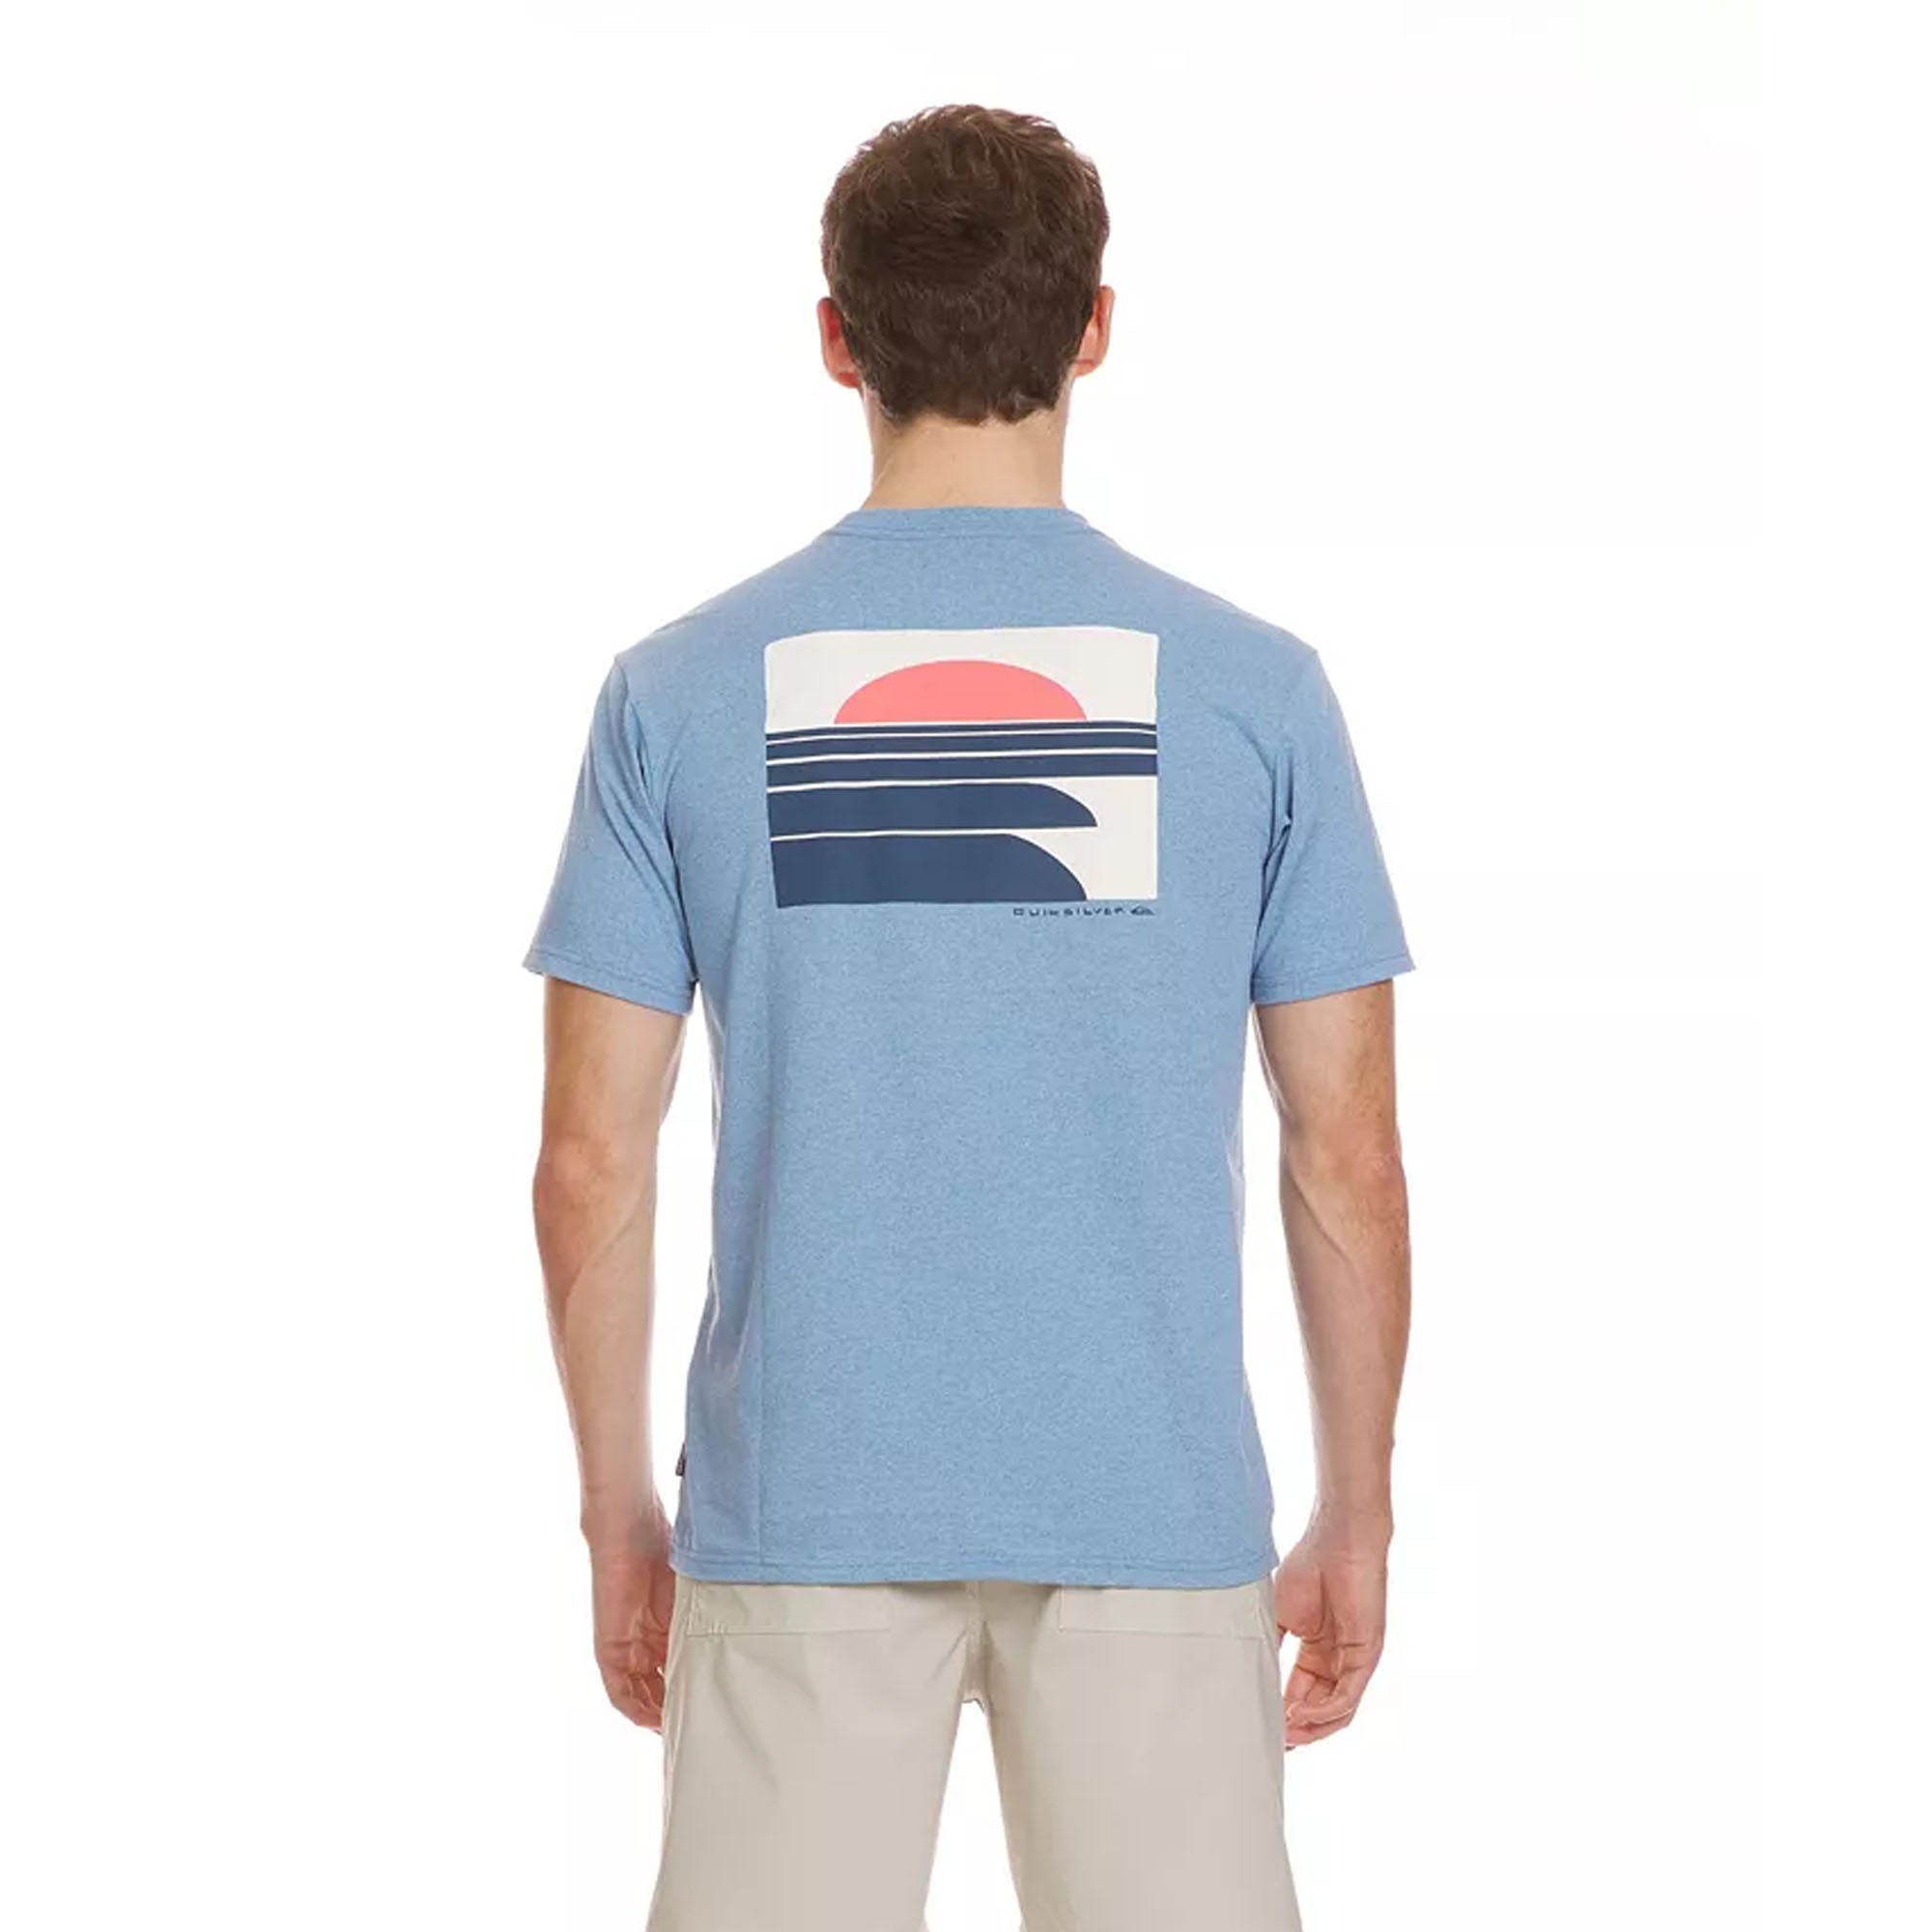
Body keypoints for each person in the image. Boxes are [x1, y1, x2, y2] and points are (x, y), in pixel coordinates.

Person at [527, 102, 1412, 1932]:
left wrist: (618, 1506)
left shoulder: (676, 694)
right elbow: (1345, 1153)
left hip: (805, 1496)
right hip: (1150, 1499)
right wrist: (1360, 1506)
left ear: (836, 340)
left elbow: (591, 1160)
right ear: (1095, 328)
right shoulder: (1254, 694)